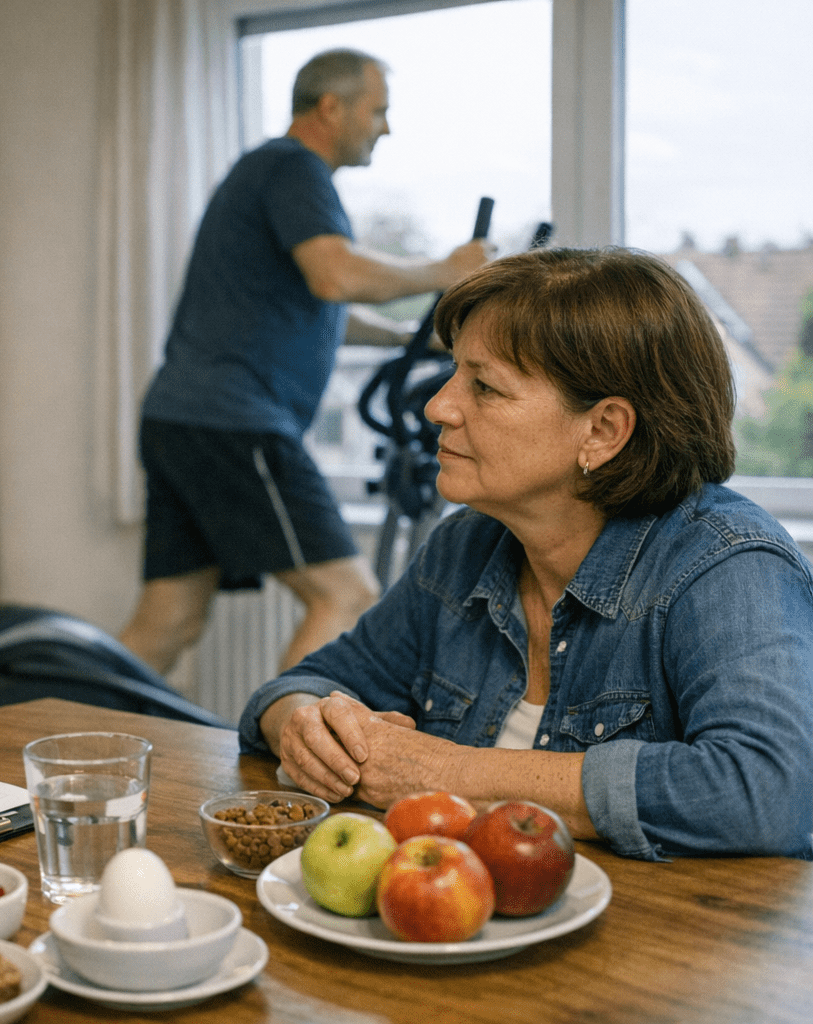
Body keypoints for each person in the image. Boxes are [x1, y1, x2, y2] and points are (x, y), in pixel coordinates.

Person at [240, 247, 813, 861]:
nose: (438, 406)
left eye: (485, 386)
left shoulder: (728, 565)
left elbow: (767, 793)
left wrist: (453, 770)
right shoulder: (466, 545)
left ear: (603, 431)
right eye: (455, 373)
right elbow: (297, 688)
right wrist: (303, 726)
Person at [119, 48, 492, 677]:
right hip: (234, 422)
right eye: (379, 111)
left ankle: (73, 745)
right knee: (345, 595)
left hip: (180, 419)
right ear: (331, 106)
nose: (386, 127)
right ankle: (284, 759)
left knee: (170, 618)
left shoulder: (266, 172)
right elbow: (336, 276)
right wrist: (446, 271)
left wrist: (417, 339)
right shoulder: (295, 169)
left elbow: (323, 311)